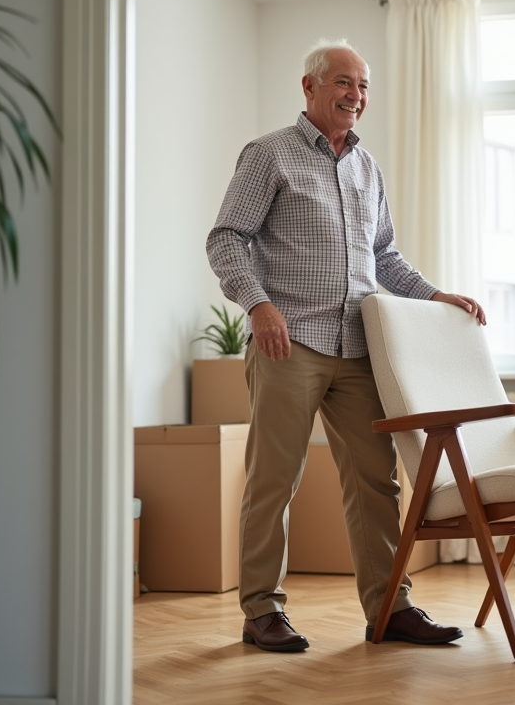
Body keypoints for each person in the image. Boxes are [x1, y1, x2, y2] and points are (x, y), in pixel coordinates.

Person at [206, 38, 485, 653]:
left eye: (362, 86)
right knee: (274, 479)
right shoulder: (268, 154)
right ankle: (261, 612)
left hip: (358, 346)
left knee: (377, 482)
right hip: (289, 342)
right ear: (309, 87)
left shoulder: (367, 167)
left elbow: (383, 256)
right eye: (343, 82)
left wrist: (434, 296)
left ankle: (391, 607)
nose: (355, 96)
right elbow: (226, 238)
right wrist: (258, 304)